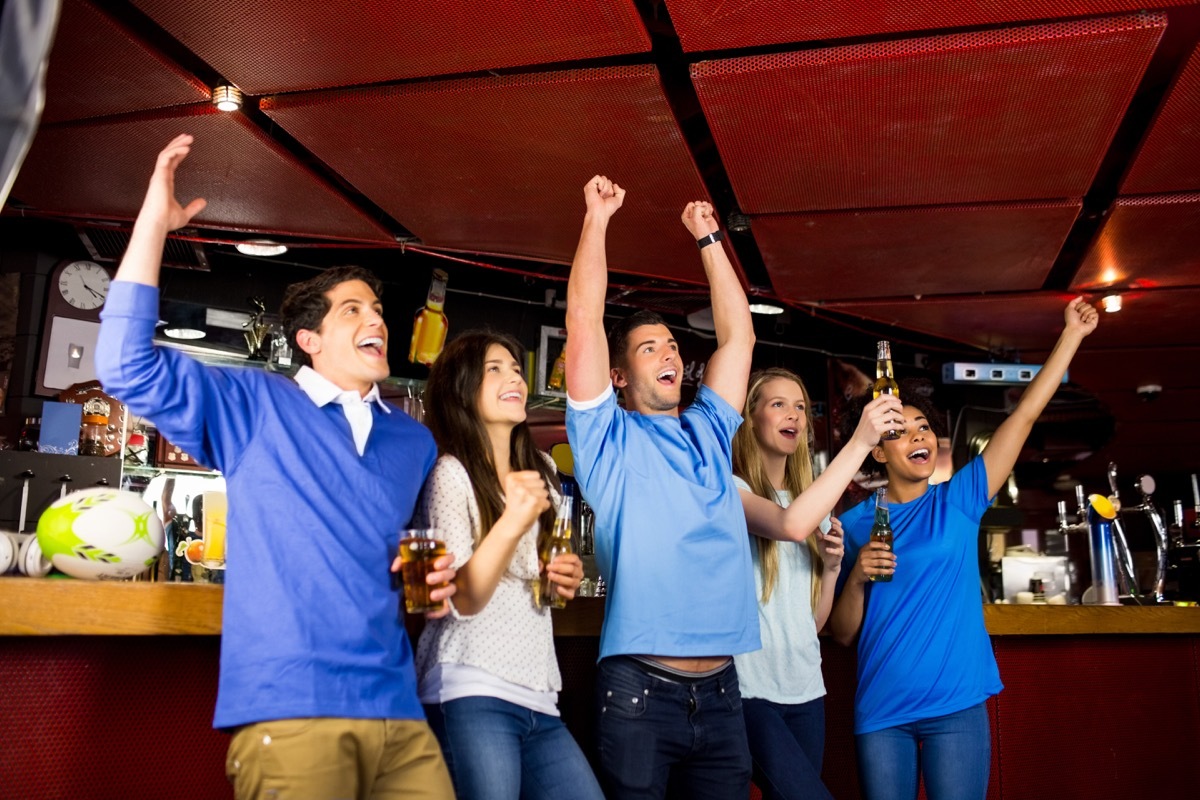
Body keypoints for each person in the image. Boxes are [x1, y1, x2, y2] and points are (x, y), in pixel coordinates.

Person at [95, 134, 457, 800]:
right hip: (292, 709)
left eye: (377, 309)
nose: (375, 317)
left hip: (400, 716)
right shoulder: (254, 405)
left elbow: (406, 564)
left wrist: (434, 577)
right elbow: (124, 365)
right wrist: (153, 224)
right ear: (309, 341)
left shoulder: (414, 443)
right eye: (353, 309)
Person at [829, 298, 1099, 800]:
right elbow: (841, 634)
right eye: (899, 431)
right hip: (882, 709)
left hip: (956, 707)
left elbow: (1023, 417)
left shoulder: (959, 499)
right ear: (875, 450)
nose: (918, 437)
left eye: (924, 428)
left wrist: (1071, 337)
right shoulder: (849, 524)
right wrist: (860, 575)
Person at [563, 176, 758, 799]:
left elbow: (738, 336)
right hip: (642, 690)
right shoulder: (606, 441)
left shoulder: (710, 431)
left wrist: (707, 236)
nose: (668, 352)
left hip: (726, 690)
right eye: (649, 348)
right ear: (619, 375)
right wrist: (597, 219)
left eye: (672, 344)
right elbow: (584, 321)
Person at [413, 329, 602, 800]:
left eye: (516, 368)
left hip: (539, 692)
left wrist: (566, 579)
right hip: (471, 686)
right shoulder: (450, 474)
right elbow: (466, 597)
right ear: (462, 389)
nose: (513, 375)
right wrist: (514, 519)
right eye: (493, 369)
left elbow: (549, 587)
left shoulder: (542, 470)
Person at [731, 368, 902, 800]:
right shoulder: (731, 491)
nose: (794, 415)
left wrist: (829, 569)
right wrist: (862, 440)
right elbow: (787, 524)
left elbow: (814, 622)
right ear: (750, 419)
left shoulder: (815, 506)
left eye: (801, 407)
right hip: (749, 690)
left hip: (807, 689)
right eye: (778, 404)